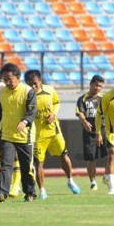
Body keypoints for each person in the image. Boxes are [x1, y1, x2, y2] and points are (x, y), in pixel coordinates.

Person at [24, 70, 81, 199]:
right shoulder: (25, 96)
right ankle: (42, 190)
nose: (33, 87)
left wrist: (54, 113)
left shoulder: (49, 90)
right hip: (37, 135)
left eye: (35, 83)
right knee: (39, 164)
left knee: (64, 155)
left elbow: (56, 102)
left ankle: (70, 180)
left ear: (40, 81)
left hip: (54, 131)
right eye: (29, 84)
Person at [0, 63, 37, 202]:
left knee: (26, 167)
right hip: (6, 135)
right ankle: (1, 193)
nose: (7, 82)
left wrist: (24, 122)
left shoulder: (28, 91)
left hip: (25, 136)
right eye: (5, 79)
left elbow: (32, 111)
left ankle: (30, 193)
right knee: (5, 165)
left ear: (18, 77)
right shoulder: (1, 93)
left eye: (10, 79)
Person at [76, 75, 107, 191]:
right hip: (89, 132)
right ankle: (93, 181)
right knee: (91, 158)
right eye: (96, 85)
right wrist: (84, 121)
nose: (98, 88)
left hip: (104, 130)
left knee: (109, 154)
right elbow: (80, 112)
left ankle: (107, 175)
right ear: (91, 84)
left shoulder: (103, 98)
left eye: (100, 86)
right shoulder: (83, 99)